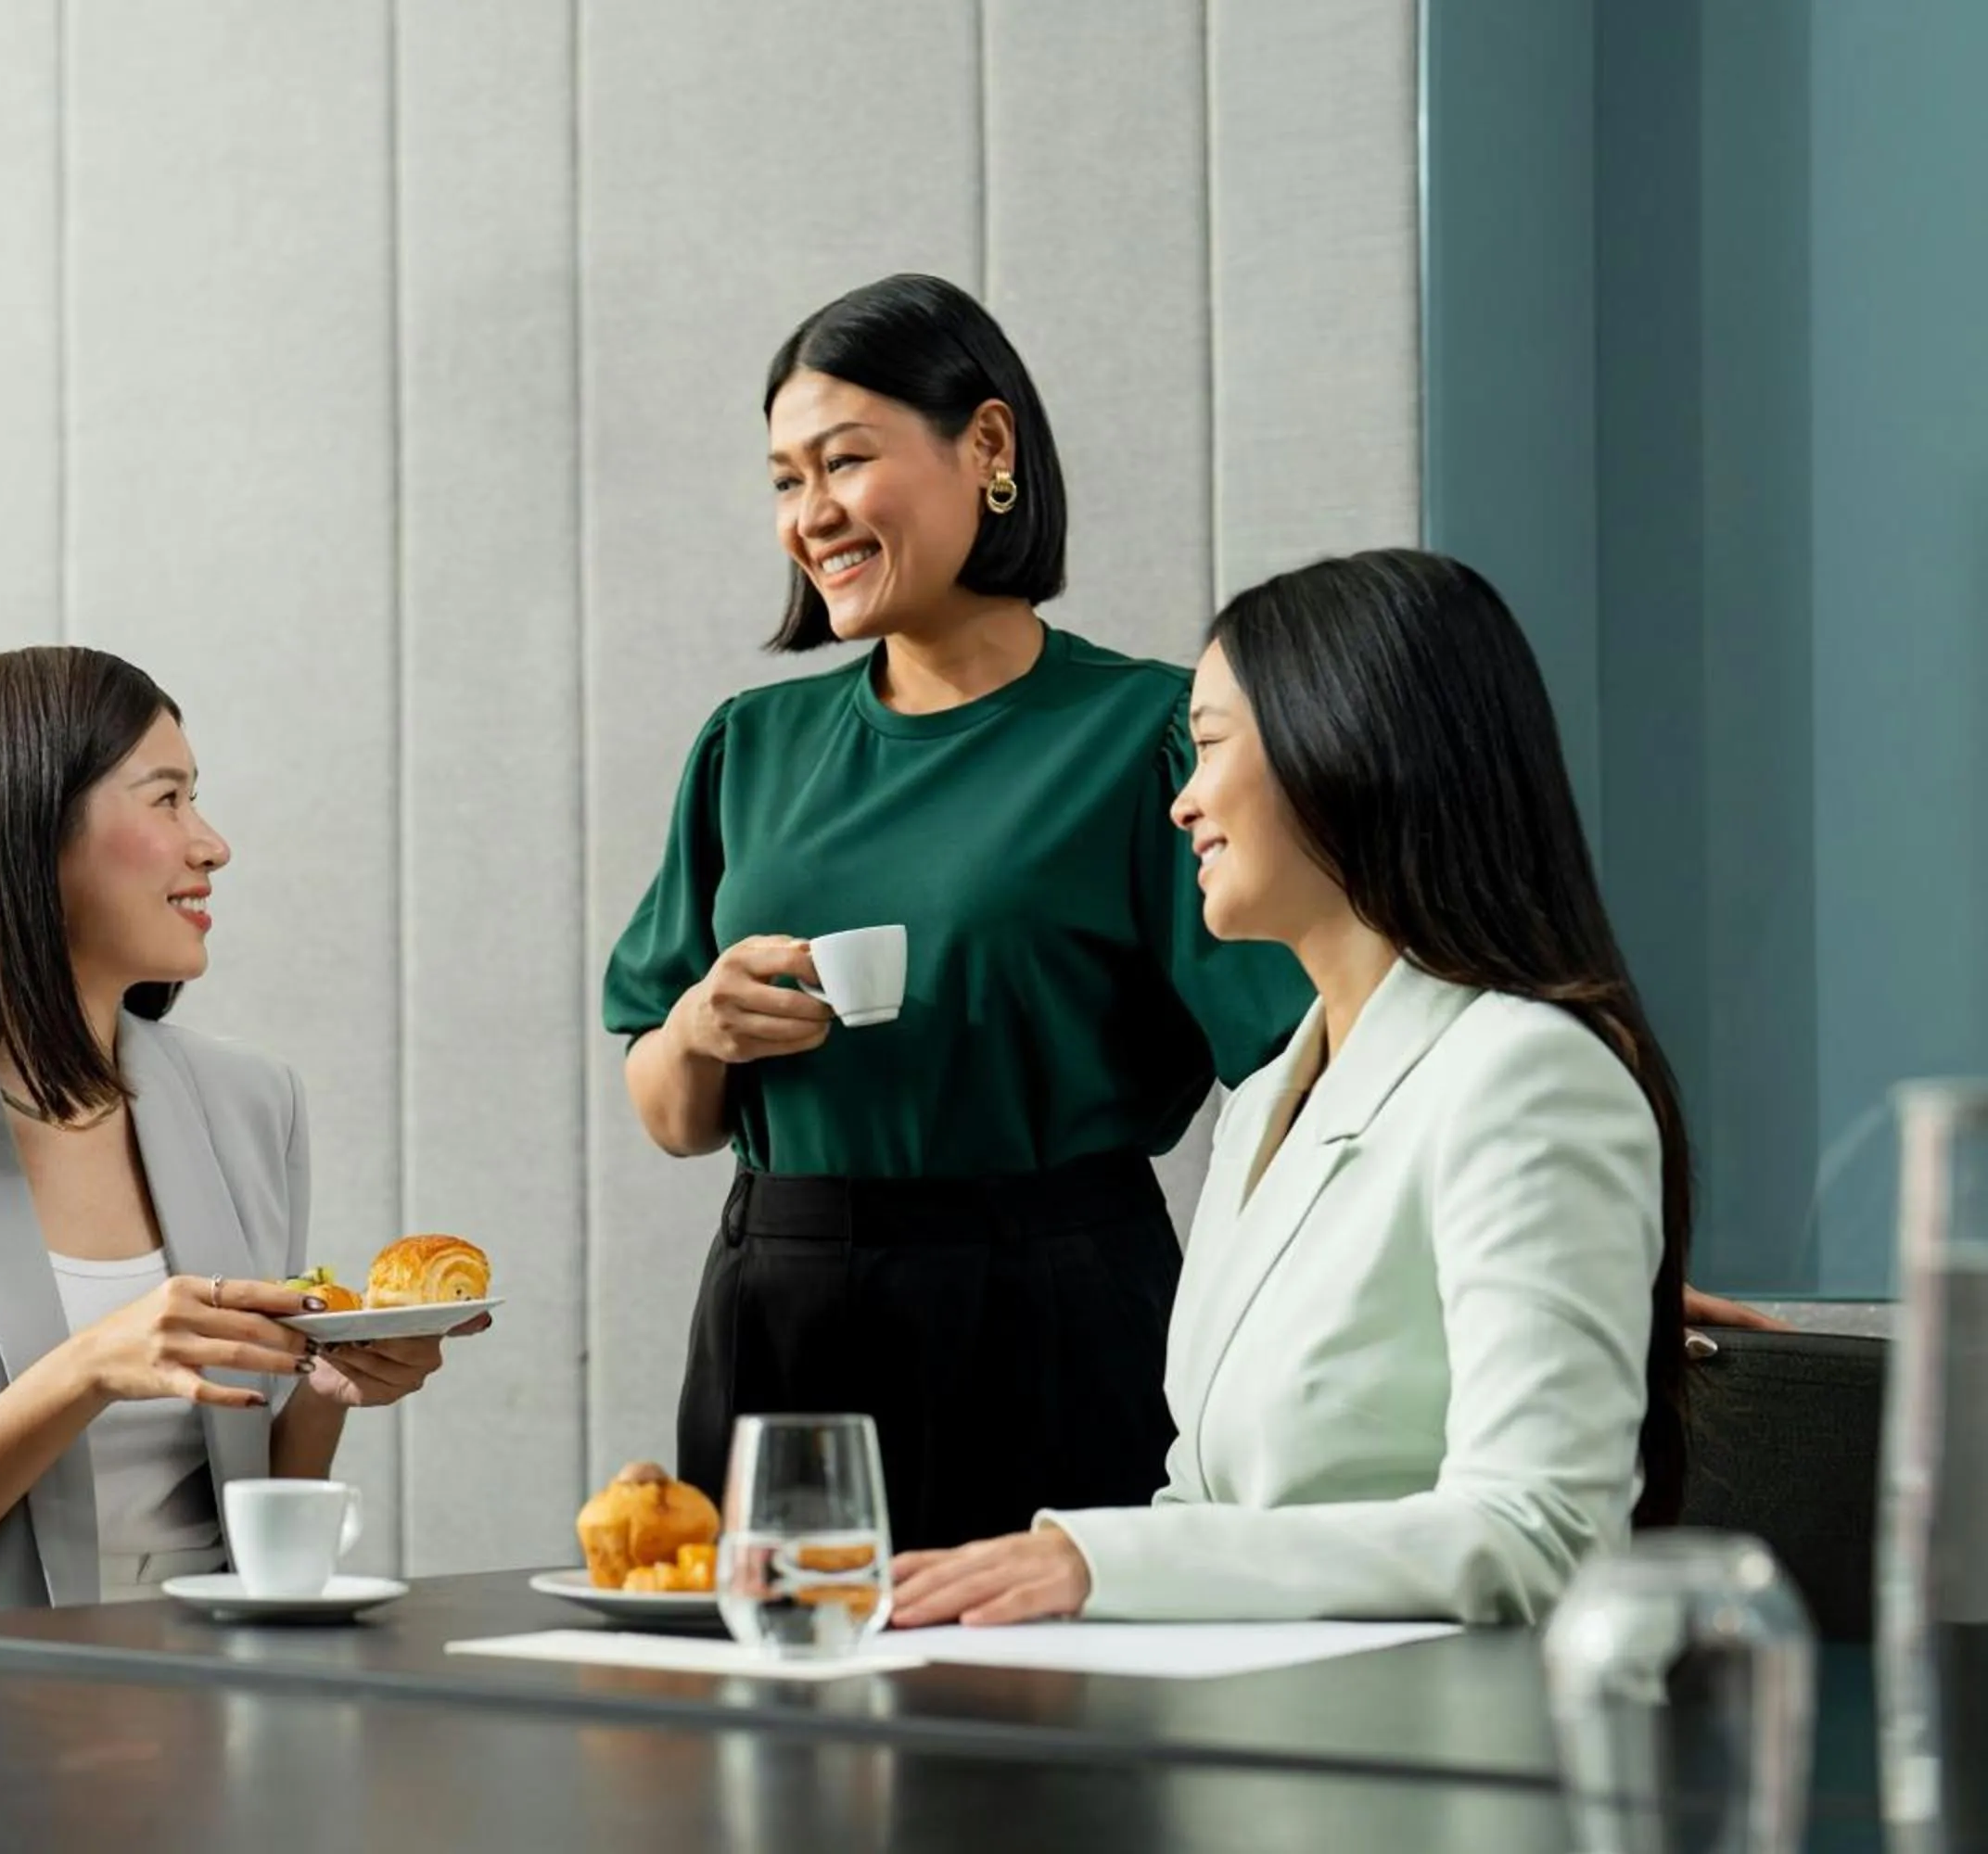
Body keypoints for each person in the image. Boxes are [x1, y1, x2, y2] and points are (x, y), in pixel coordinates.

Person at [602, 274, 1318, 1550]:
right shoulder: (749, 747)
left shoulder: (1150, 734)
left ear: (986, 446)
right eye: (783, 480)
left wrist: (1509, 1246)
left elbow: (1309, 1063)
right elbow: (666, 1114)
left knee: (1055, 1727)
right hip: (782, 1311)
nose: (810, 515)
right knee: (783, 1725)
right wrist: (702, 1031)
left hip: (1056, 1306)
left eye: (845, 462)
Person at [888, 550, 1689, 1628]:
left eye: (1207, 744)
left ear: (1344, 746)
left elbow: (1539, 1533)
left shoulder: (1528, 1075)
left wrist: (1107, 1564)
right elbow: (1208, 1500)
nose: (1180, 803)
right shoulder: (1265, 1101)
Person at [0, 647, 473, 1642]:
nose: (212, 844)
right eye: (167, 799)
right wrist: (88, 1370)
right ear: (34, 832)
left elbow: (249, 1524)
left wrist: (325, 1390)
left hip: (203, 1705)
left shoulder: (251, 1103)